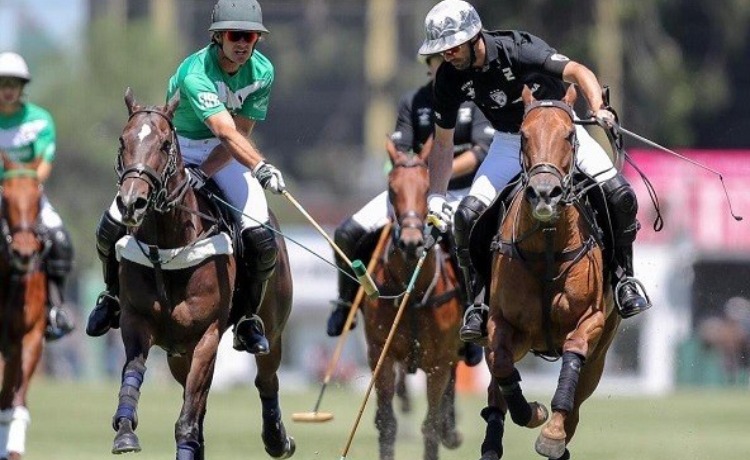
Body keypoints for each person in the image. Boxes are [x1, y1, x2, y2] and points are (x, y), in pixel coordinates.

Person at [418, 0, 651, 344]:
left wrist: (600, 109)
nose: (447, 55)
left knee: (620, 195)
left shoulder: (519, 49)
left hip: (559, 132)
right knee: (466, 217)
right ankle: (479, 303)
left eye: (452, 47)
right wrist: (436, 197)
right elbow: (441, 144)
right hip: (511, 142)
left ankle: (623, 278)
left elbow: (577, 71)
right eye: (442, 50)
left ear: (473, 37)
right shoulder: (449, 78)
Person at [85, 0, 287, 355]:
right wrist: (261, 166)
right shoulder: (195, 72)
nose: (243, 43)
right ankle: (111, 297)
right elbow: (223, 128)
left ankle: (246, 319)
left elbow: (240, 131)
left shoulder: (263, 71)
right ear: (217, 37)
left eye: (251, 36)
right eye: (235, 35)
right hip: (178, 151)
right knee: (110, 226)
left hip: (231, 152)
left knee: (260, 237)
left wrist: (212, 171)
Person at [326, 52, 494, 366]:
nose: (443, 65)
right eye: (436, 60)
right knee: (347, 233)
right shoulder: (414, 102)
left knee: (467, 244)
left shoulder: (475, 100)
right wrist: (416, 178)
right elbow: (401, 152)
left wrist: (436, 173)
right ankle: (346, 302)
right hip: (416, 193)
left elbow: (481, 152)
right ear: (428, 65)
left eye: (449, 58)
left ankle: (474, 314)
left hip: (465, 191)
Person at [0, 51, 75, 341]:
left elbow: (43, 164)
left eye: (13, 84)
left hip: (28, 196)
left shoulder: (40, 120)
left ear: (22, 87)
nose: (7, 90)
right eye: (3, 83)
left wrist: (24, 186)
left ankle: (55, 308)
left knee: (60, 240)